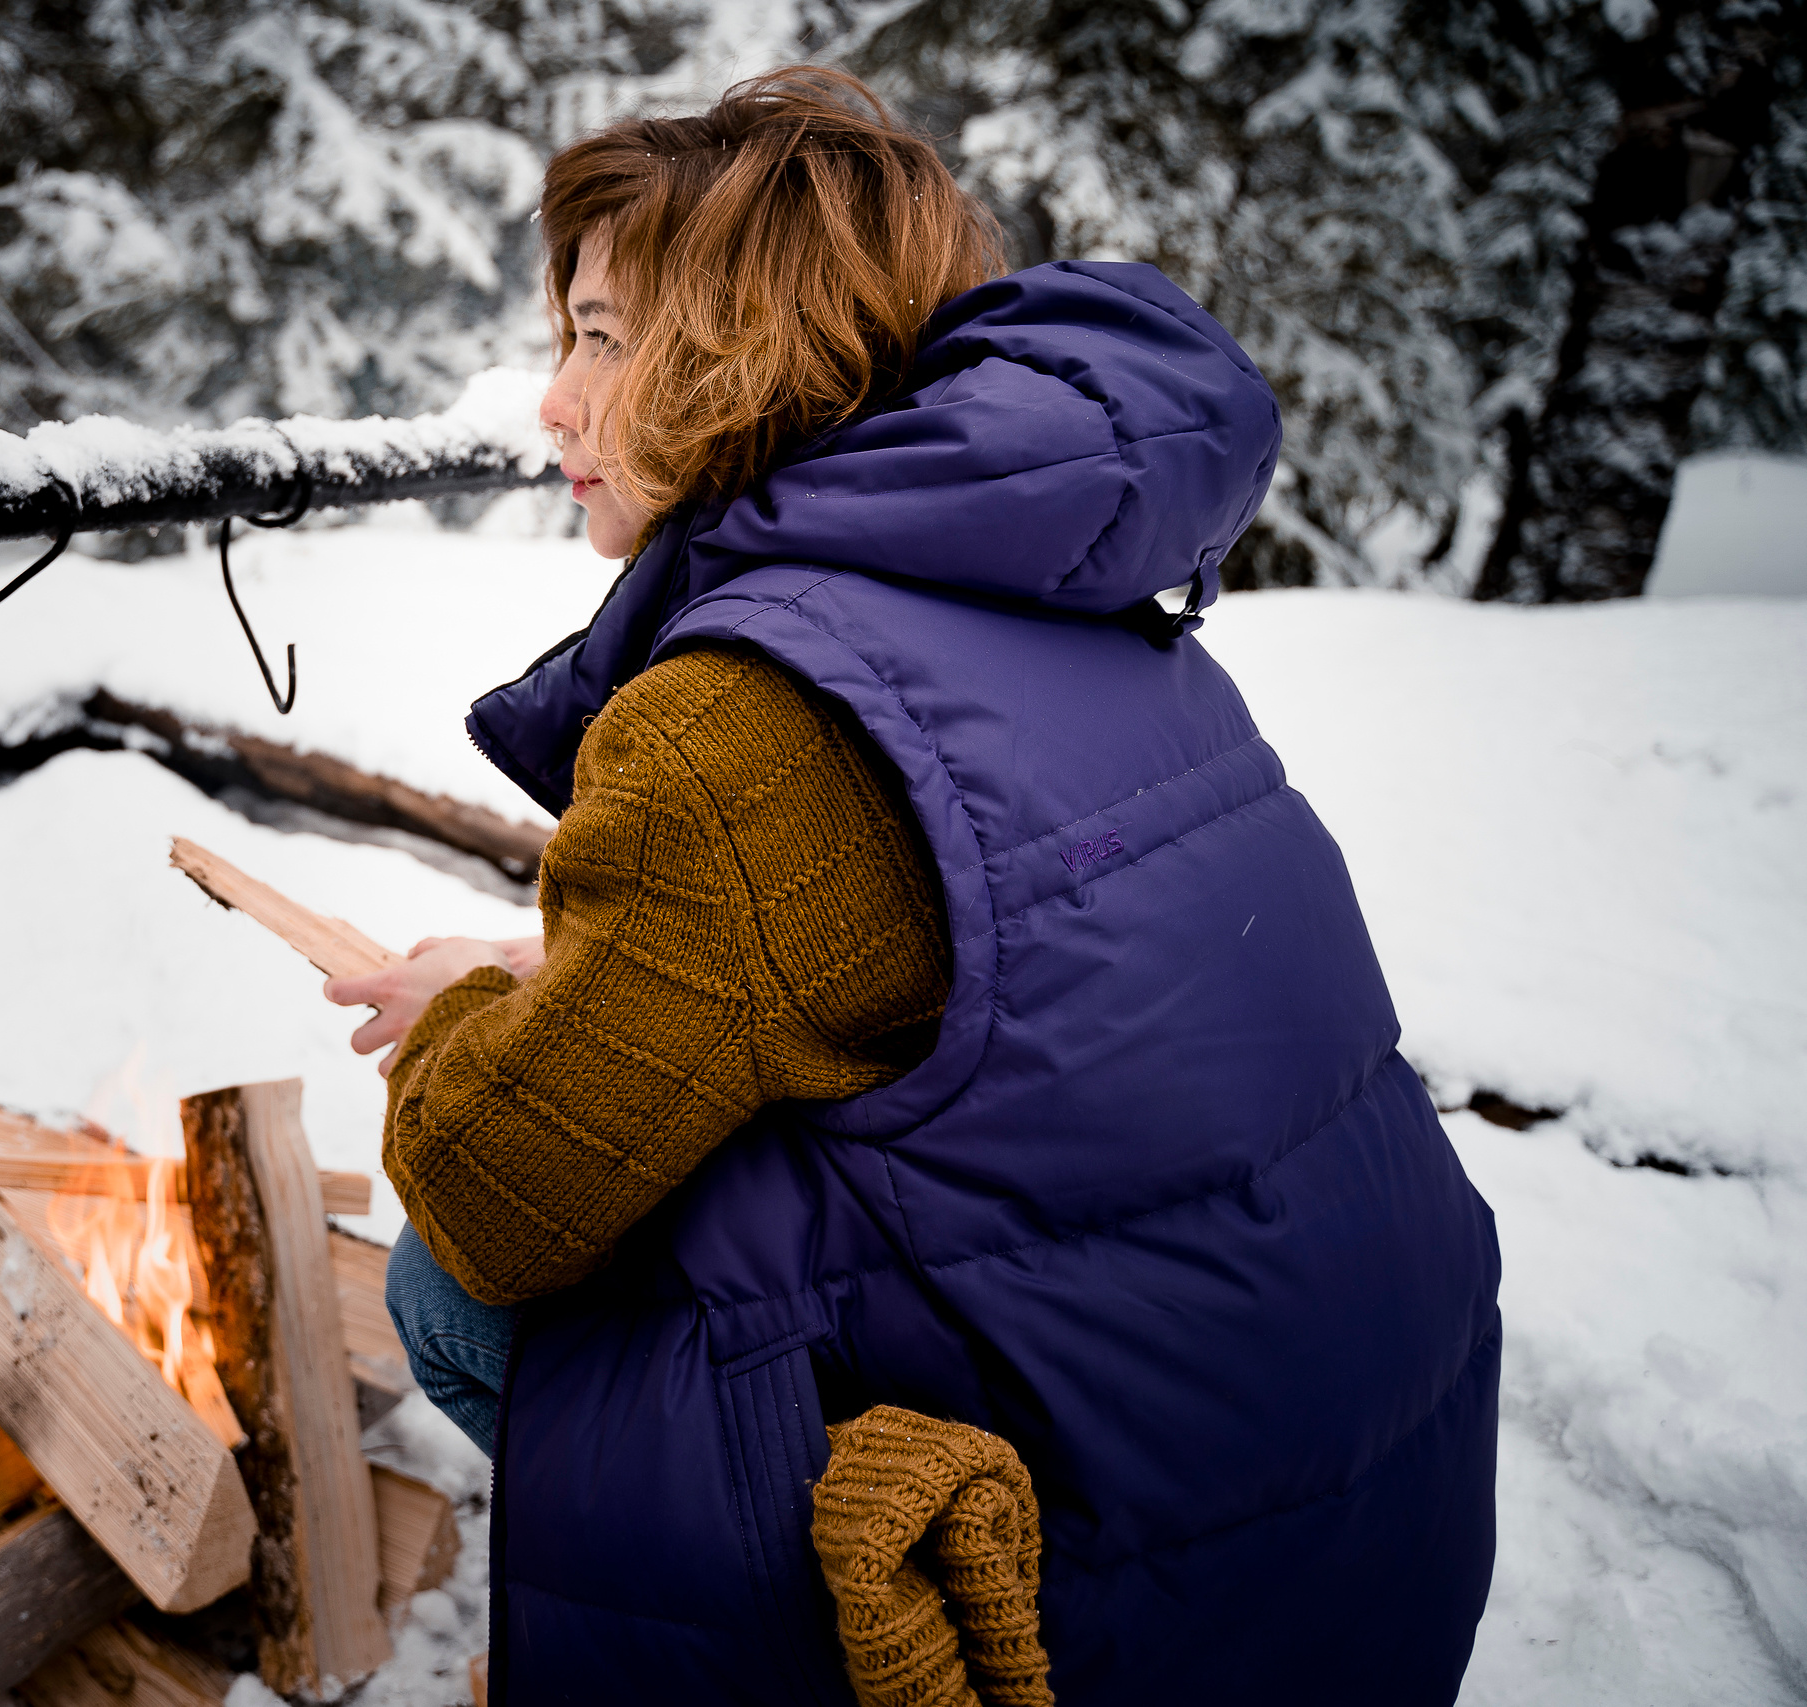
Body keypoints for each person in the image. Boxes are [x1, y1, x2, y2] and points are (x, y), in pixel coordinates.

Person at [324, 66, 1500, 1707]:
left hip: (1104, 1601)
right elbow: (927, 973)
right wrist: (558, 976)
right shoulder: (1058, 595)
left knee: (444, 1289)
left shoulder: (735, 724)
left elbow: (503, 1201)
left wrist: (463, 1012)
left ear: (740, 348)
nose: (552, 402)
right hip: (1358, 1536)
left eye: (598, 337)